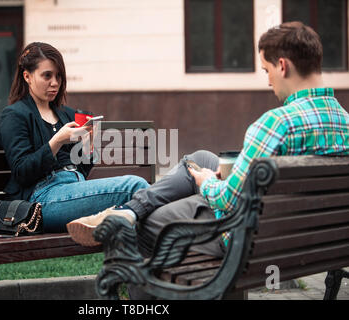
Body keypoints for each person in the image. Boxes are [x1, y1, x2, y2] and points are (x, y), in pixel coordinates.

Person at [67, 22, 349, 258]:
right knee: (200, 159)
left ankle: (132, 226)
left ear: (283, 66)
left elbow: (227, 200)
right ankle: (128, 210)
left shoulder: (276, 124)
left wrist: (208, 183)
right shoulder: (345, 121)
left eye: (267, 70)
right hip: (303, 234)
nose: (268, 81)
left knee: (150, 222)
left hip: (245, 237)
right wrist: (230, 172)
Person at [0, 42, 149, 233]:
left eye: (58, 76)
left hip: (73, 189)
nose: (55, 82)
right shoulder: (14, 115)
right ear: (27, 76)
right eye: (47, 75)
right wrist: (57, 141)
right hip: (41, 199)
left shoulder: (66, 114)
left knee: (140, 197)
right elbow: (22, 172)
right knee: (135, 187)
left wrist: (88, 146)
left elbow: (82, 170)